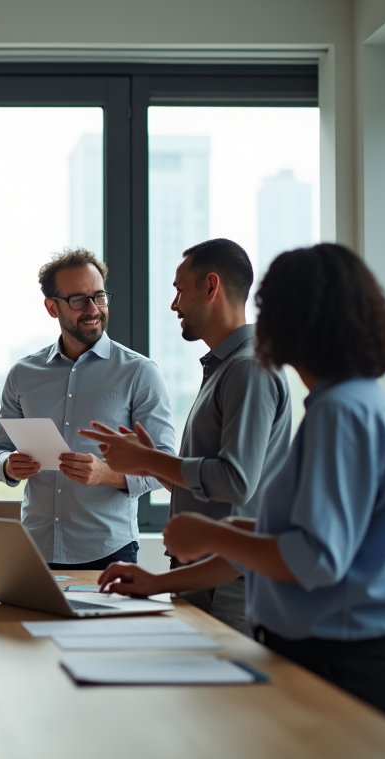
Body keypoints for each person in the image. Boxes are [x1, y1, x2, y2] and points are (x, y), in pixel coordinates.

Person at [91, 244, 385, 718]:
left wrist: (211, 533)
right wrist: (170, 572)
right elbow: (286, 542)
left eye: (271, 307)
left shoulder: (340, 413)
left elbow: (313, 559)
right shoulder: (348, 404)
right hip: (341, 654)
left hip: (353, 667)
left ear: (300, 318)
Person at [81, 239, 290, 635]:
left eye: (179, 290)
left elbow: (235, 482)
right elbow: (204, 483)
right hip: (204, 578)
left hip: (229, 586)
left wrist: (150, 461)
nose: (173, 305)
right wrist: (149, 461)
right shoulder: (225, 368)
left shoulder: (247, 369)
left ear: (211, 287)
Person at [0, 248, 176, 570]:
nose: (93, 309)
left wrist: (107, 474)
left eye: (99, 296)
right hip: (35, 547)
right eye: (78, 300)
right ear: (51, 307)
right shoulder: (23, 374)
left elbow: (166, 464)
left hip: (108, 550)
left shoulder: (140, 372)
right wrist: (8, 465)